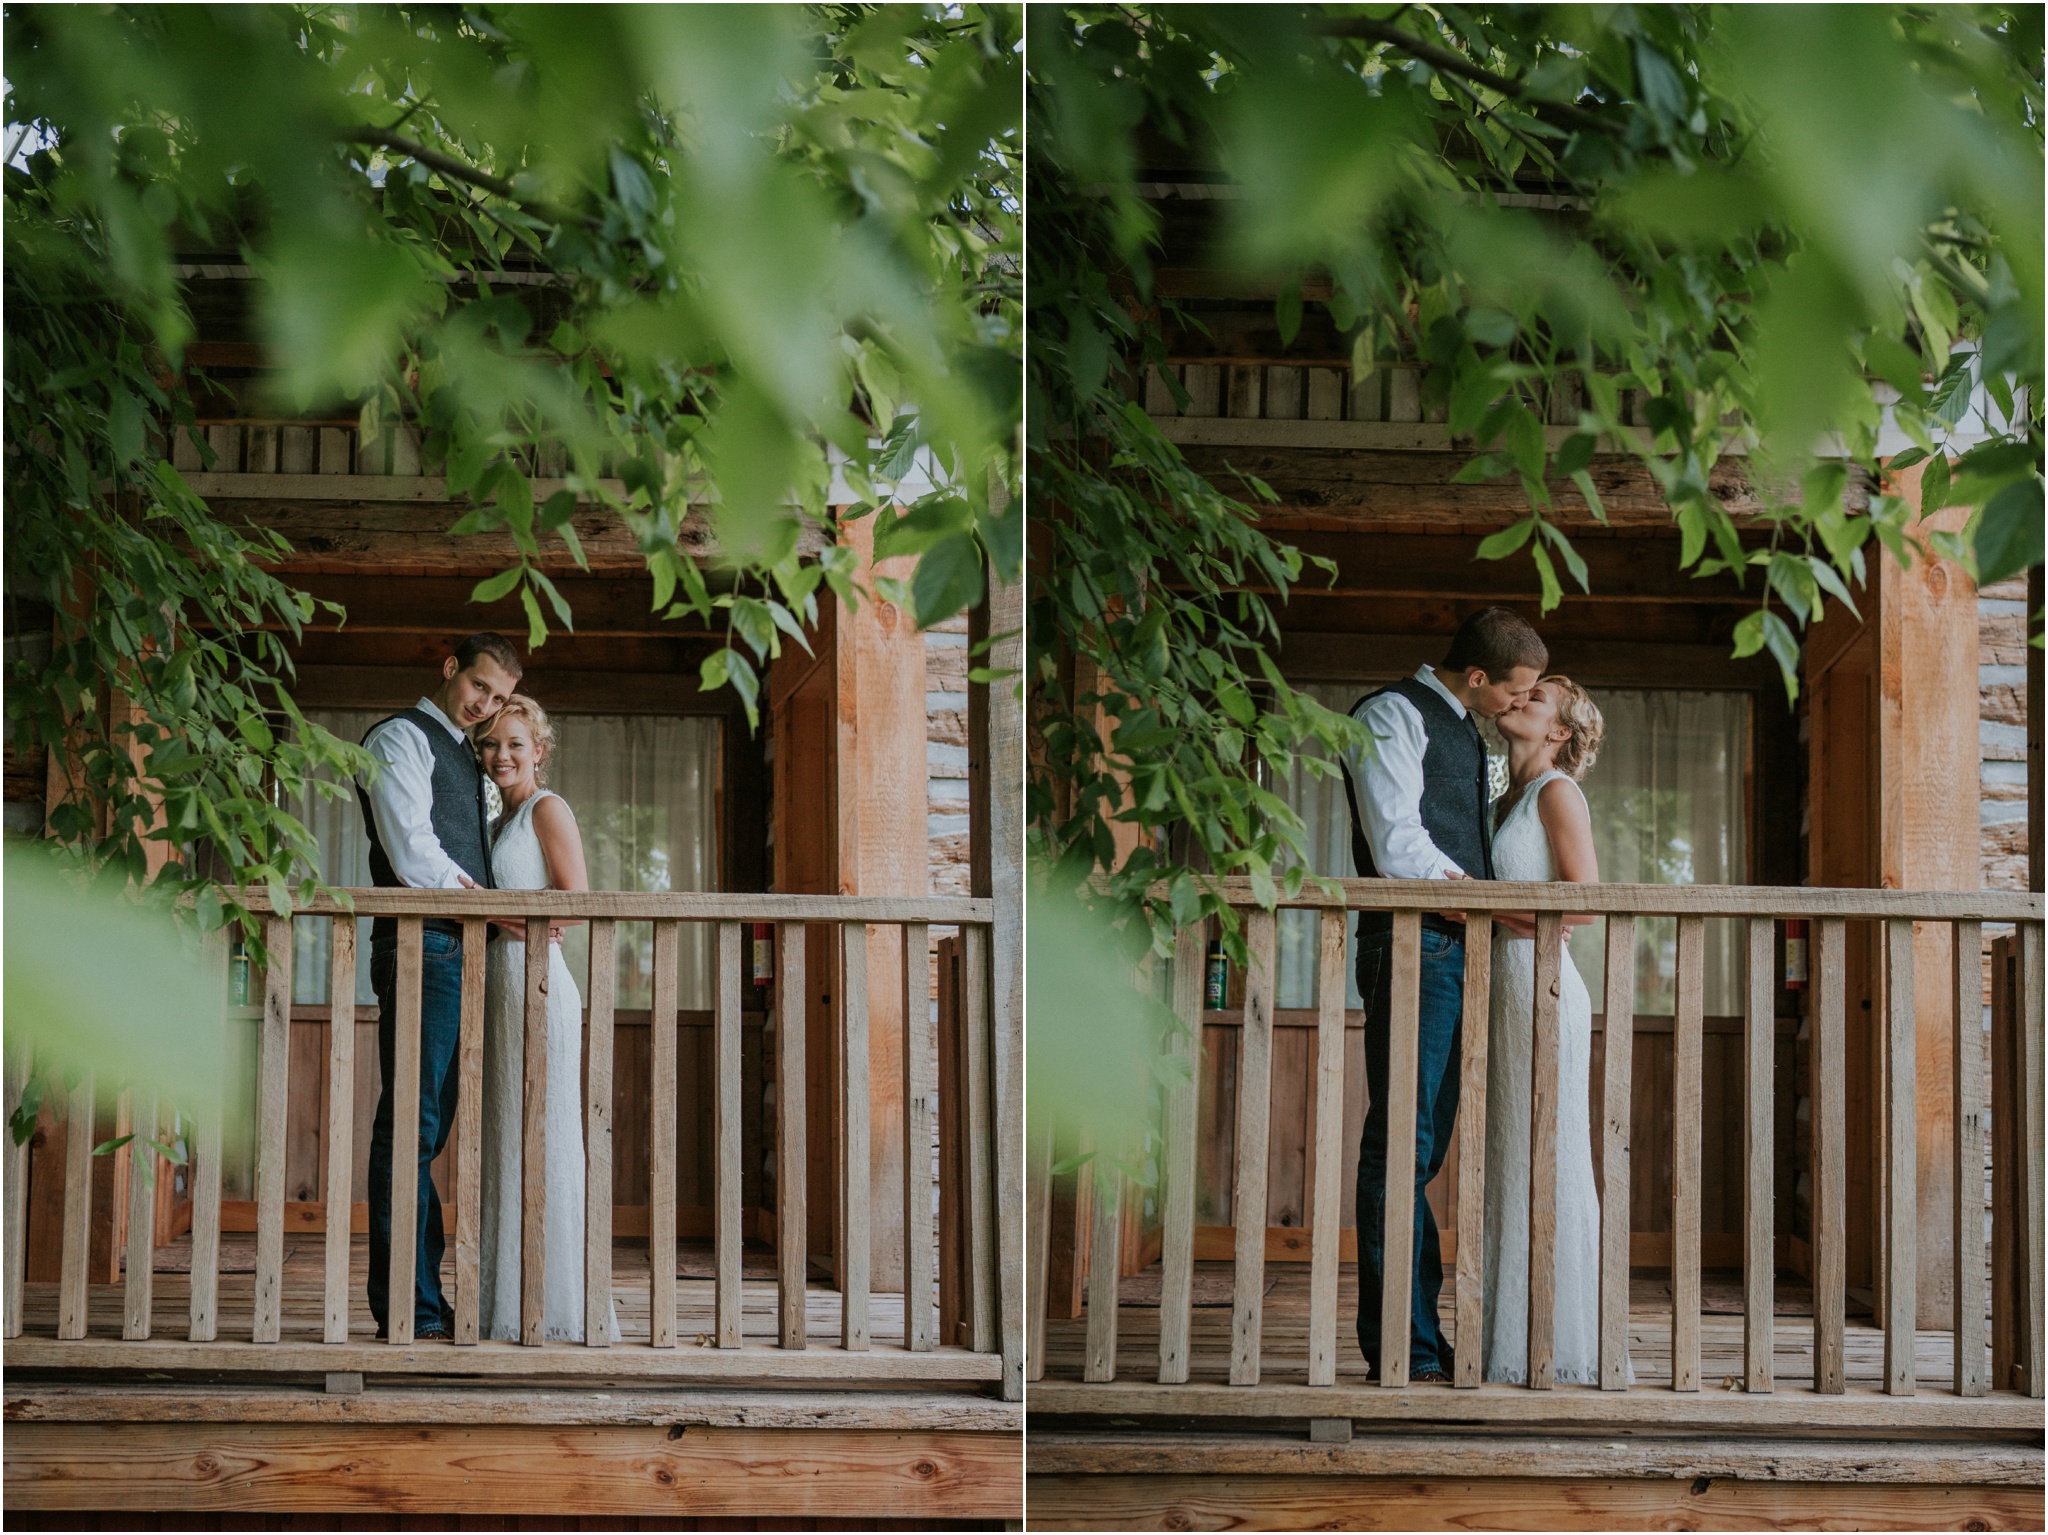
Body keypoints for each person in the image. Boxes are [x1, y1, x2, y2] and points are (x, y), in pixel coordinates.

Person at [1339, 606, 1544, 1382]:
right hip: (1414, 944)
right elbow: (1397, 843)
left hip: (1454, 948)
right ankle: (1404, 1347)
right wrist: (1475, 899)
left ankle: (1418, 1338)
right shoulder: (1392, 712)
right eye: (1514, 692)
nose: (1516, 706)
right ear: (1480, 675)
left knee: (1420, 1149)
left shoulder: (1464, 726)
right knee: (1400, 1147)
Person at [356, 631, 522, 1341]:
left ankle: (424, 1301)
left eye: (501, 699)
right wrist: (493, 908)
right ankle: (409, 1309)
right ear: (451, 668)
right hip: (425, 946)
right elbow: (413, 851)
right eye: (480, 687)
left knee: (430, 1129)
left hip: (463, 951)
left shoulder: (469, 756)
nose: (486, 705)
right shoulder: (400, 736)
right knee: (412, 1128)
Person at [1480, 675, 1628, 1385]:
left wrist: (1474, 910)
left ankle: (1562, 1339)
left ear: (1559, 733)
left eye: (1535, 700)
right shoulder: (1502, 796)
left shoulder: (1556, 794)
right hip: (1503, 988)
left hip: (1543, 983)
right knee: (1511, 1154)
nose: (1517, 700)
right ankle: (1510, 1335)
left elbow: (1585, 905)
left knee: (1552, 1152)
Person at [474, 694, 619, 1342]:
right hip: (500, 987)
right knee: (508, 1138)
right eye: (489, 744)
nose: (500, 755)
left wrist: (494, 911)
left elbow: (577, 902)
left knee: (549, 1137)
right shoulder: (497, 818)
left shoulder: (546, 808)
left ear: (540, 749)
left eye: (513, 743)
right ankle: (508, 1299)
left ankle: (558, 1302)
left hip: (538, 983)